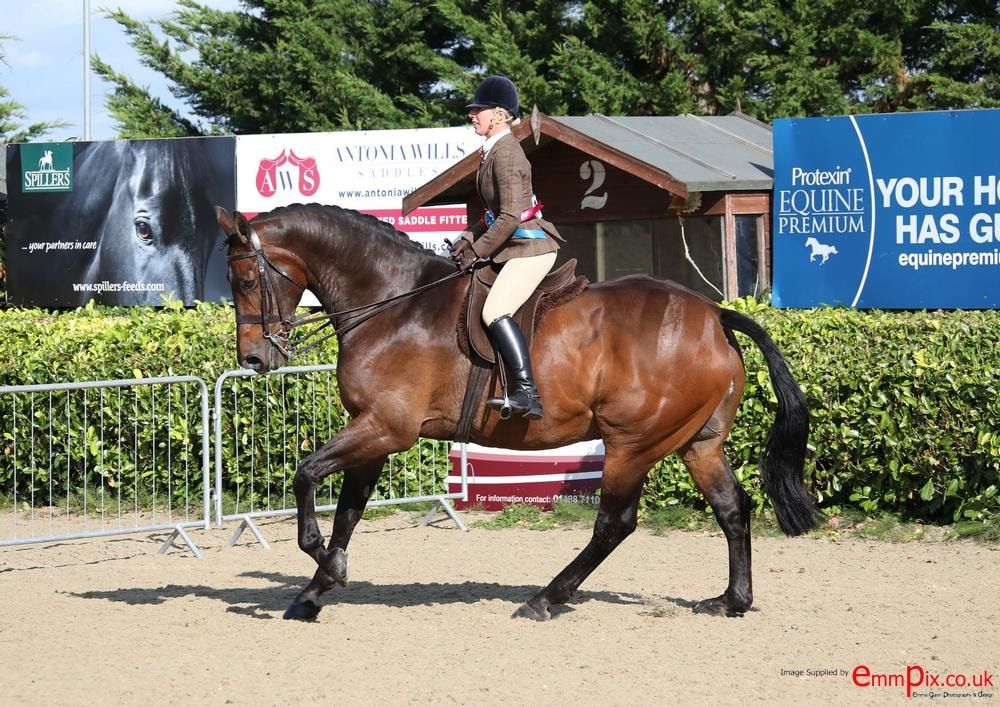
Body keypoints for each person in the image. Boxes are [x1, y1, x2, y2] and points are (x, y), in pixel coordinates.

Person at [450, 75, 565, 420]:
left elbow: (511, 216)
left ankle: (526, 394)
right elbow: (493, 214)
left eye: (479, 110)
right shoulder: (493, 151)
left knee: (494, 310)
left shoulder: (508, 154)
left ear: (499, 114)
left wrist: (480, 250)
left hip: (530, 249)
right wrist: (467, 238)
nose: (472, 114)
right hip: (511, 247)